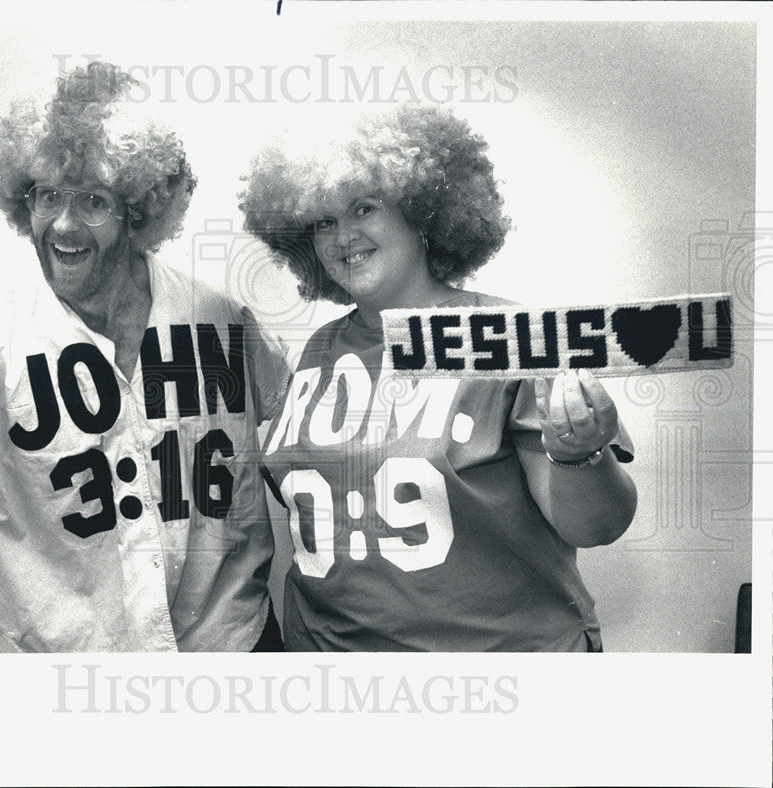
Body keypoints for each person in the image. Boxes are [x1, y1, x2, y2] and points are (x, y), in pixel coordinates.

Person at [0, 62, 288, 652]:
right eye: (48, 196)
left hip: (236, 655)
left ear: (137, 211)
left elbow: (303, 470)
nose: (64, 225)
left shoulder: (222, 321)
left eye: (94, 201)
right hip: (73, 687)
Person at [239, 103, 638, 651]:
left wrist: (581, 453)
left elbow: (595, 527)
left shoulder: (510, 337)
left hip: (495, 677)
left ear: (422, 213)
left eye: (363, 207)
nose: (341, 235)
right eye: (323, 220)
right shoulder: (316, 351)